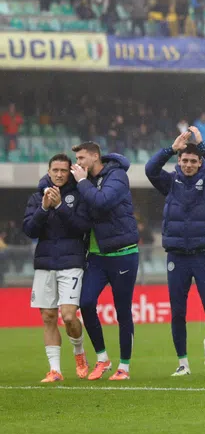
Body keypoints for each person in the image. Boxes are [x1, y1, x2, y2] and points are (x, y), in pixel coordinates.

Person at [145, 126, 205, 376]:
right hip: (177, 256)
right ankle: (183, 363)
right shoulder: (170, 182)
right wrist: (170, 149)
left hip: (204, 255)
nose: (189, 164)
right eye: (184, 160)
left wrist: (202, 145)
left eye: (193, 161)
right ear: (178, 161)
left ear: (200, 161)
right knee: (178, 312)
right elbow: (150, 169)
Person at [71, 142, 140, 381]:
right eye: (77, 158)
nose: (78, 163)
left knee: (123, 312)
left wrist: (81, 183)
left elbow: (102, 201)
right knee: (86, 303)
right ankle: (102, 358)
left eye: (81, 157)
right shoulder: (85, 181)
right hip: (97, 256)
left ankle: (125, 366)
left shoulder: (117, 176)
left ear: (95, 156)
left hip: (123, 253)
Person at [22, 154, 91, 382]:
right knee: (49, 316)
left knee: (69, 316)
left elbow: (82, 226)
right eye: (55, 170)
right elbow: (30, 230)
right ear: (49, 171)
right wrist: (43, 208)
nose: (59, 174)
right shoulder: (36, 197)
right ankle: (55, 370)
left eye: (63, 170)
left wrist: (60, 206)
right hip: (44, 264)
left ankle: (79, 352)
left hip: (71, 263)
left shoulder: (79, 196)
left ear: (69, 171)